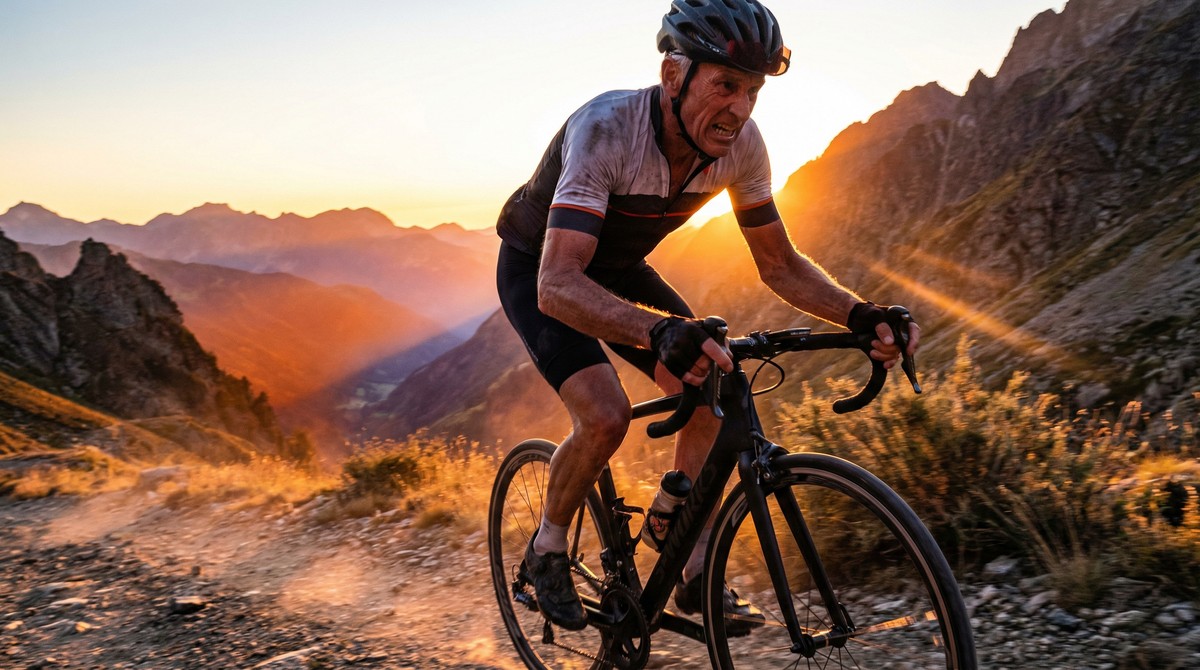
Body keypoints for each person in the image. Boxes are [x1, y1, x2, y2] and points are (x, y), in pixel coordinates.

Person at [495, 0, 920, 632]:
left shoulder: (742, 148)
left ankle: (686, 559)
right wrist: (659, 330)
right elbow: (558, 286)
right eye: (725, 84)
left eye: (753, 90)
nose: (741, 108)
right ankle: (548, 545)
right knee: (606, 415)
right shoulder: (607, 128)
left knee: (716, 385)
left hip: (617, 268)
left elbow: (779, 265)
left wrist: (859, 312)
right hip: (542, 269)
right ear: (674, 75)